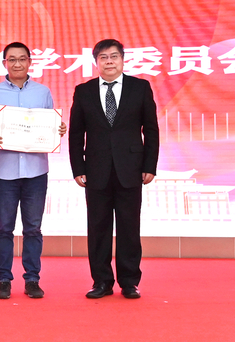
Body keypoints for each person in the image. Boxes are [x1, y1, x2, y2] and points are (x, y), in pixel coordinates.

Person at [68, 38, 159, 300]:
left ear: (122, 59)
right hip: (95, 170)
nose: (109, 62)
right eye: (104, 57)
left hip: (131, 169)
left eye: (114, 56)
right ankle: (101, 281)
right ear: (96, 62)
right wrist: (78, 168)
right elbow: (76, 134)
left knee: (129, 227)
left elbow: (151, 130)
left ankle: (129, 282)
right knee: (98, 228)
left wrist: (149, 165)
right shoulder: (83, 91)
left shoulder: (140, 88)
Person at [0, 42, 66, 300]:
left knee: (33, 229)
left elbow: (49, 126)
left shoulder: (43, 92)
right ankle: (3, 280)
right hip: (4, 172)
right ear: (4, 63)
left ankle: (32, 279)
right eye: (12, 59)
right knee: (4, 228)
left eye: (22, 59)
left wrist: (58, 130)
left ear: (30, 62)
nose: (17, 64)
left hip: (36, 171)